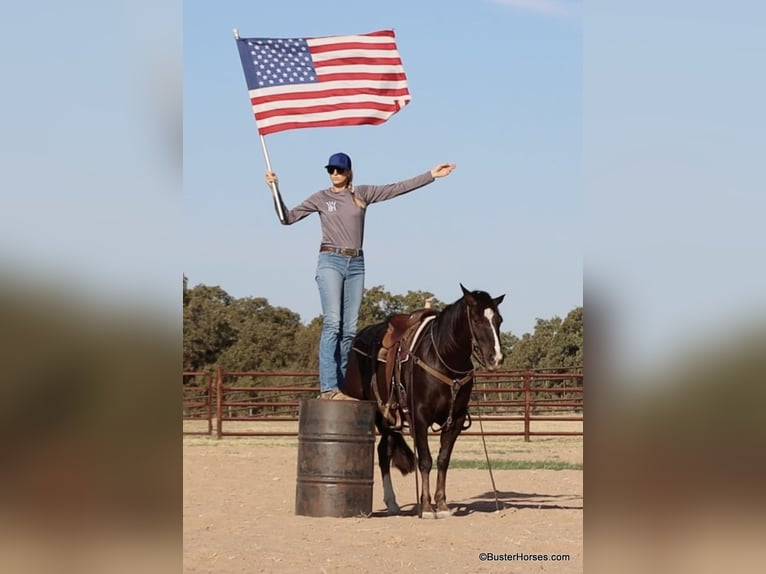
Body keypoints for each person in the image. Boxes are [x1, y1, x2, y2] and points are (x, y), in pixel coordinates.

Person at [265, 152, 456, 400]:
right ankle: (328, 387)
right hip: (330, 261)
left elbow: (396, 189)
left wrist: (431, 175)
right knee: (333, 323)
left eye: (340, 170)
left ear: (349, 172)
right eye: (331, 170)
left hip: (356, 263)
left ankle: (343, 387)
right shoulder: (321, 198)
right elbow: (286, 218)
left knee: (349, 330)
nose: (335, 174)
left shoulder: (361, 194)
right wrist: (274, 189)